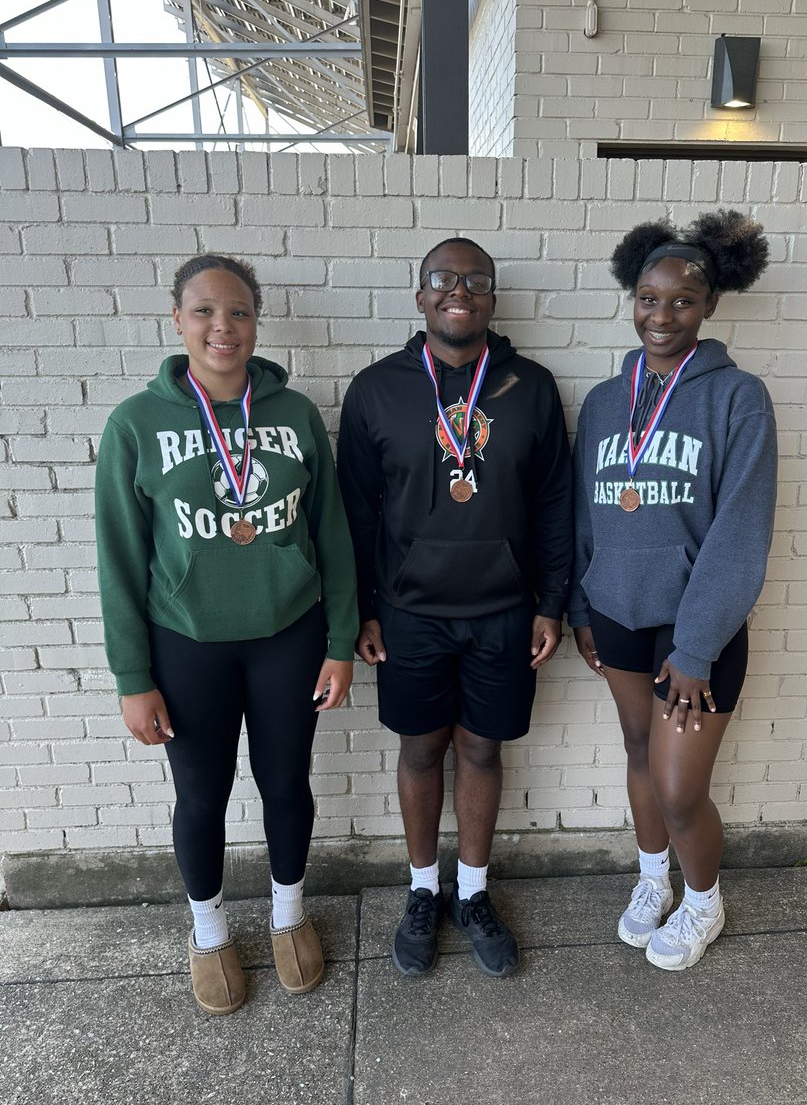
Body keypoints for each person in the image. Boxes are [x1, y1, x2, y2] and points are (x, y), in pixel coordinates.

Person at [95, 255, 358, 1014]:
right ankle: (208, 933)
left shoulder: (296, 414)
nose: (223, 327)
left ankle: (287, 915)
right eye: (205, 311)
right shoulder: (135, 423)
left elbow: (332, 535)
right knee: (201, 795)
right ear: (177, 322)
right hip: (187, 643)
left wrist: (340, 641)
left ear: (255, 323)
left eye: (239, 312)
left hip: (289, 635)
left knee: (285, 785)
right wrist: (131, 676)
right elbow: (119, 556)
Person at [337, 238, 572, 978]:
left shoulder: (531, 387)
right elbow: (355, 513)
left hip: (504, 611)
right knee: (419, 750)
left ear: (492, 300)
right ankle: (421, 891)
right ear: (420, 297)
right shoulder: (376, 390)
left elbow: (555, 504)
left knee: (481, 750)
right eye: (443, 279)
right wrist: (362, 612)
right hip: (409, 615)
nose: (458, 291)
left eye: (475, 281)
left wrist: (554, 602)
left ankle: (472, 893)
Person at [569, 210, 775, 971]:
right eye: (648, 298)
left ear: (710, 305)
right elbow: (584, 510)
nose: (662, 315)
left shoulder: (737, 397)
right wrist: (582, 606)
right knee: (635, 749)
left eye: (682, 300)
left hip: (697, 631)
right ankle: (653, 877)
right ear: (633, 299)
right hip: (616, 610)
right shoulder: (601, 401)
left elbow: (741, 531)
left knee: (680, 786)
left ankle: (703, 901)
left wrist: (696, 647)